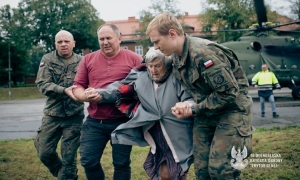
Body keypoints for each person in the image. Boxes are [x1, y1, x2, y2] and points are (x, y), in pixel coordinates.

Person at [146, 13, 254, 180]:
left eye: (157, 41)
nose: (155, 47)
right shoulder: (176, 57)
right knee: (202, 171)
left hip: (231, 111)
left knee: (221, 171)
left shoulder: (203, 53)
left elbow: (229, 93)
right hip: (205, 114)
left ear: (172, 34)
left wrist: (193, 109)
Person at [96, 47, 194, 180]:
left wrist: (186, 105)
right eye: (150, 66)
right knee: (164, 174)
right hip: (157, 134)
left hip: (178, 135)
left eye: (158, 66)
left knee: (177, 172)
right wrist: (99, 93)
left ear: (166, 64)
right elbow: (119, 89)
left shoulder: (176, 77)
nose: (153, 70)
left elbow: (190, 99)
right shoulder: (140, 76)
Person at [73, 24, 142, 180]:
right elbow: (77, 86)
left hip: (122, 121)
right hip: (95, 121)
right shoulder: (88, 59)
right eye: (101, 39)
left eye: (108, 38)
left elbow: (144, 84)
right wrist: (86, 96)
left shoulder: (134, 58)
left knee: (121, 163)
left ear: (119, 38)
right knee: (88, 161)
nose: (105, 42)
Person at [34, 30, 84, 180]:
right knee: (44, 153)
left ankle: (68, 176)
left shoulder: (83, 61)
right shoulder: (47, 59)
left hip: (74, 116)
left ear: (73, 43)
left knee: (69, 158)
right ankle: (63, 173)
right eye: (59, 42)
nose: (63, 44)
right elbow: (43, 84)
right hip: (52, 115)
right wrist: (63, 90)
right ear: (55, 44)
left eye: (66, 41)